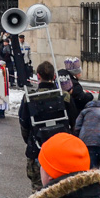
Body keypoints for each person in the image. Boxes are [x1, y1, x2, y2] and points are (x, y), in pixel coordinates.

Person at [18, 62, 75, 191]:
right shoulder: (64, 97)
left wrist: (29, 140)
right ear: (54, 76)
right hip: (61, 150)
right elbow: (74, 122)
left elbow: (24, 124)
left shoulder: (29, 98)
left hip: (37, 149)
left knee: (38, 192)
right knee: (62, 189)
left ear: (38, 76)